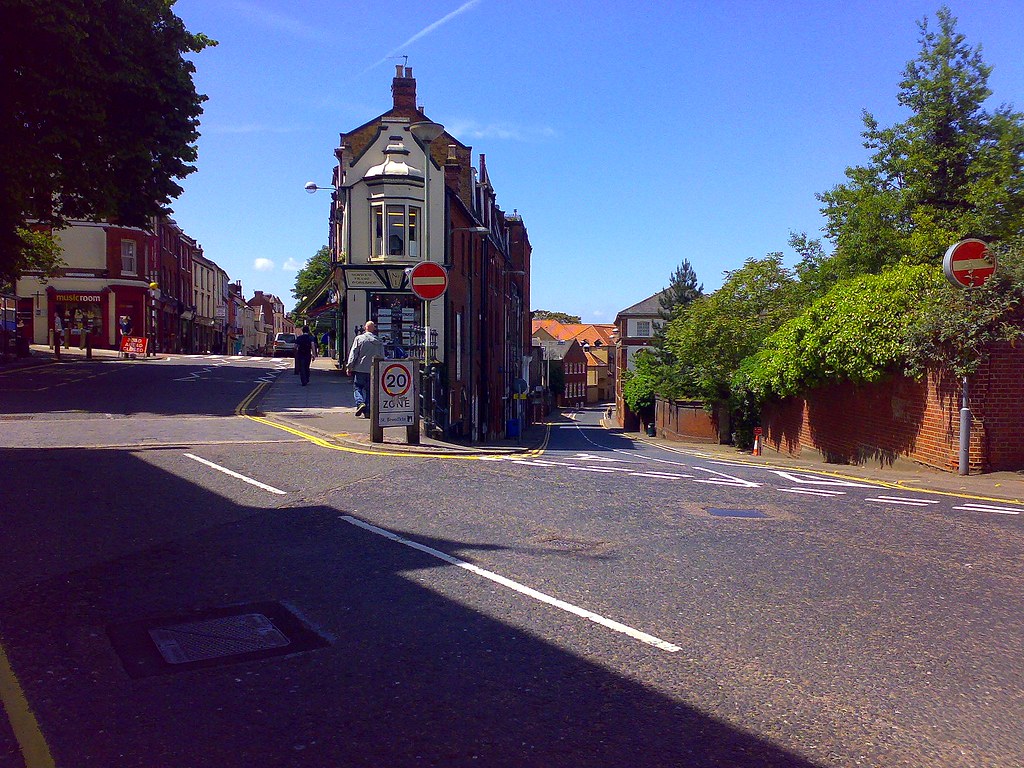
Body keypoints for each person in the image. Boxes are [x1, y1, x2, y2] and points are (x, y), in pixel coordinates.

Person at [346, 321, 383, 418]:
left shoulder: (359, 339)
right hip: (373, 369)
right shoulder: (379, 341)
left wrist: (349, 367)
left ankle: (360, 403)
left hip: (360, 368)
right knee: (370, 390)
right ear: (374, 329)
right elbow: (382, 356)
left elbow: (353, 354)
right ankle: (367, 412)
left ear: (365, 328)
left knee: (357, 387)